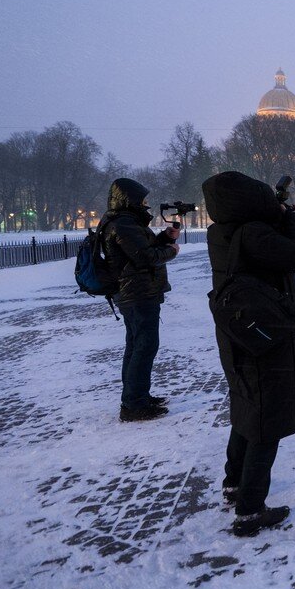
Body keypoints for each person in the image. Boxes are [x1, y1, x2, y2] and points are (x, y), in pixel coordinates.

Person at [202, 171, 295, 537]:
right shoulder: (253, 233)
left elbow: (268, 252)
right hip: (265, 334)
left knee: (247, 404)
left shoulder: (223, 230)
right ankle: (250, 509)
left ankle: (234, 483)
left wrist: (285, 218)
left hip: (240, 332)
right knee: (268, 417)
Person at [101, 177, 180, 422]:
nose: (146, 204)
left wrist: (165, 238)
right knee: (144, 347)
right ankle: (134, 405)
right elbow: (143, 257)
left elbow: (140, 248)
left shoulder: (125, 222)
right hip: (136, 294)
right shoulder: (123, 224)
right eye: (142, 200)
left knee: (136, 346)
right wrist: (171, 251)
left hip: (136, 293)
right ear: (129, 200)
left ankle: (137, 397)